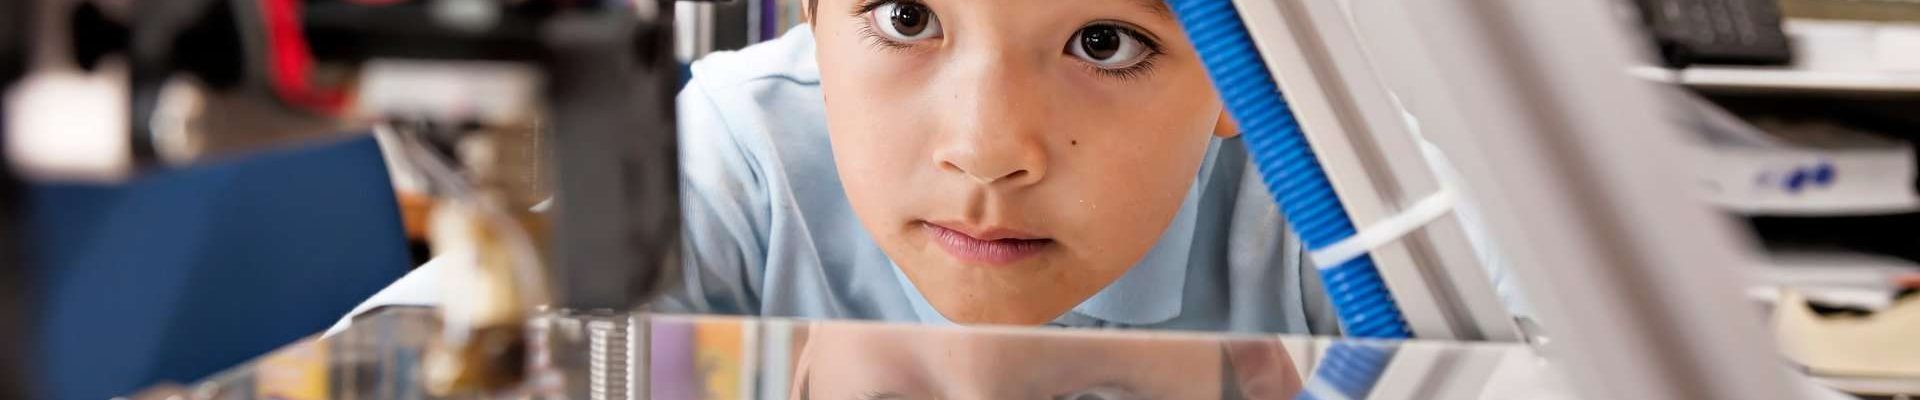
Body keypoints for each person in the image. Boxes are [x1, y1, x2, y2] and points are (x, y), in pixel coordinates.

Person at [338, 0, 1340, 335]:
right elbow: (419, 346)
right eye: (907, 16)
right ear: (811, 18)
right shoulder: (746, 146)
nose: (985, 147)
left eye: (1107, 42)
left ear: (1237, 79)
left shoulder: (1340, 213)